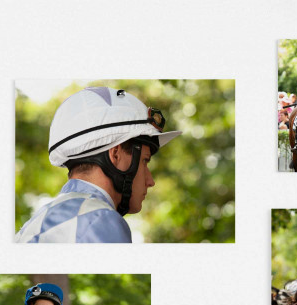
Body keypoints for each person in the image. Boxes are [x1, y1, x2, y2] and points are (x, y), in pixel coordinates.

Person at [15, 86, 181, 243]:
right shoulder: (100, 219)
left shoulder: (31, 226)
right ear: (115, 154)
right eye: (145, 161)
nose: (150, 181)